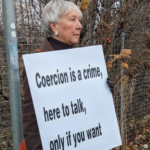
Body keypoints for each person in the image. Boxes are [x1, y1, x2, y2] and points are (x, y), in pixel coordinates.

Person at [20, 0, 114, 149]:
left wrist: (103, 92)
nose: (79, 25)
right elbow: (31, 120)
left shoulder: (85, 61)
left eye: (79, 20)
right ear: (54, 25)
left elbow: (85, 106)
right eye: (72, 19)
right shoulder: (37, 64)